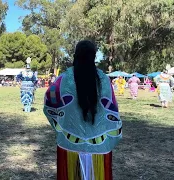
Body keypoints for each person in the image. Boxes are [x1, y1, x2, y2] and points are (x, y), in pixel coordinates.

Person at [43, 40, 122, 180]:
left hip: (70, 146)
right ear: (94, 57)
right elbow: (112, 109)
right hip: (99, 146)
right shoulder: (103, 80)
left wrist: (61, 124)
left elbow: (49, 102)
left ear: (75, 56)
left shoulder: (62, 80)